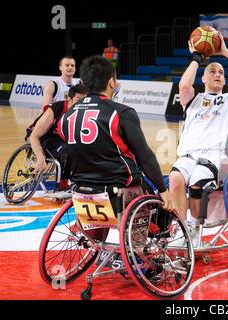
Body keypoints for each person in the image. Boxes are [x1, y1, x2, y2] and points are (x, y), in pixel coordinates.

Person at [168, 32, 228, 245]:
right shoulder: (192, 99)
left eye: (221, 72)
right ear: (203, 78)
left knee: (198, 182)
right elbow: (184, 87)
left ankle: (195, 232)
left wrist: (224, 51)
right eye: (212, 71)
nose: (217, 74)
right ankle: (183, 229)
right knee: (175, 179)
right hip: (188, 156)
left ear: (224, 79)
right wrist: (197, 59)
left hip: (218, 160)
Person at [58, 55, 174, 212]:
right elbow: (145, 156)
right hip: (119, 189)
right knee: (162, 210)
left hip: (81, 187)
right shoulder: (122, 112)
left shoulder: (68, 115)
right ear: (111, 82)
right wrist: (163, 190)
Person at [28, 84, 87, 192]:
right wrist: (40, 158)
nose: (81, 104)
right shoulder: (56, 109)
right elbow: (34, 136)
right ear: (69, 99)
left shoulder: (82, 113)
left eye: (84, 100)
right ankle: (61, 185)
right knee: (66, 150)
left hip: (59, 137)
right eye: (78, 100)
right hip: (41, 136)